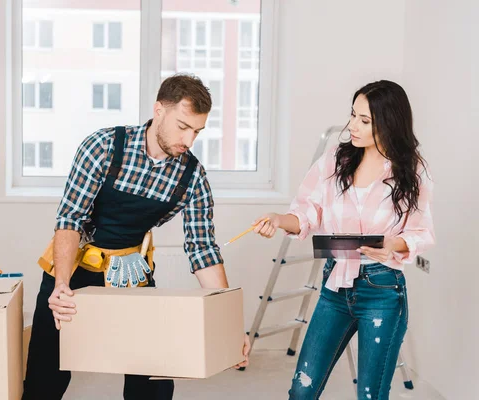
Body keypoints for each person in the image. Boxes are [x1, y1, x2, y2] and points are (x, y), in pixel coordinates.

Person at [23, 73, 250, 400]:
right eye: (183, 127)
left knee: (154, 373)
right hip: (72, 269)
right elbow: (70, 219)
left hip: (129, 271)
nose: (189, 141)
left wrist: (230, 326)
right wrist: (60, 286)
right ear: (159, 110)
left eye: (197, 131)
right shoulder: (102, 147)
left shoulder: (192, 177)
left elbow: (202, 250)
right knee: (45, 375)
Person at [252, 80, 435, 399]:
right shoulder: (336, 159)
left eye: (364, 121)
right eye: (353, 115)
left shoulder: (412, 170)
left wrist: (393, 244)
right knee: (301, 391)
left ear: (389, 123)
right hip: (335, 288)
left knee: (370, 395)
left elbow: (421, 232)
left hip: (382, 289)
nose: (352, 125)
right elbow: (307, 211)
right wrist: (280, 220)